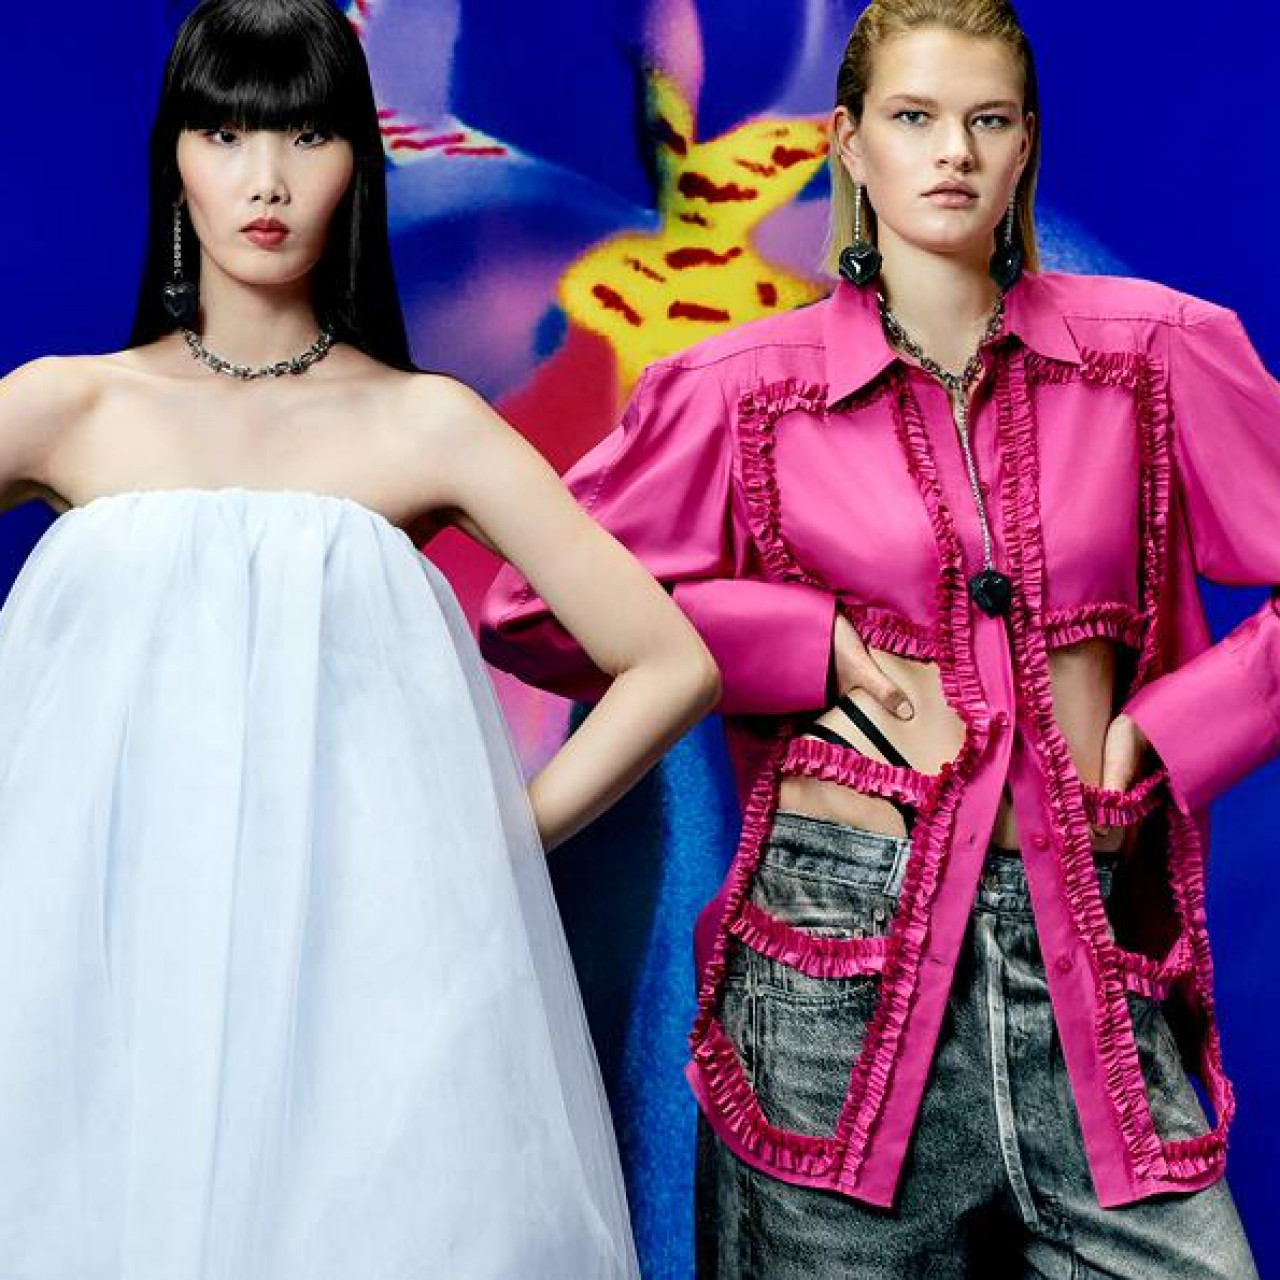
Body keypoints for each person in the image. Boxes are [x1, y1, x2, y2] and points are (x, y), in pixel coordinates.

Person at [480, 1, 1274, 1274]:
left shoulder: (1152, 353)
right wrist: (806, 642)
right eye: (913, 118)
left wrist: (1168, 728)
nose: (951, 151)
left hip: (1083, 952)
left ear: (1024, 144)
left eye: (986, 120)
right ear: (847, 141)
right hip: (832, 975)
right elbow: (528, 608)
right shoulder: (736, 387)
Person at [0, 1, 722, 1275]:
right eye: (225, 133)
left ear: (361, 157)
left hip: (370, 972)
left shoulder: (424, 422)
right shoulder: (67, 405)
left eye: (307, 134)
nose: (265, 180)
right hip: (97, 956)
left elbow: (670, 661)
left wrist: (494, 838)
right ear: (175, 156)